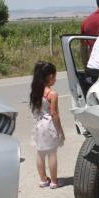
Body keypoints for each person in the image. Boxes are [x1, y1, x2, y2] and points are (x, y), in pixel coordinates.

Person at [30, 61, 65, 189]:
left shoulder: (36, 91)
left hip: (38, 125)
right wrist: (60, 132)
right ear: (50, 76)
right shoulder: (52, 94)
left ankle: (43, 179)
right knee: (52, 153)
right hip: (49, 126)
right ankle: (54, 181)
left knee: (40, 153)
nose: (55, 79)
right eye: (55, 76)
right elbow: (54, 114)